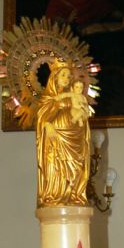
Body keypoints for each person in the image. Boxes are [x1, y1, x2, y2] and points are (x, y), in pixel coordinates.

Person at [36, 61, 90, 207]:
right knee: (56, 166)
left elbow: (84, 112)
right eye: (63, 75)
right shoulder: (48, 99)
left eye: (69, 76)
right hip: (56, 139)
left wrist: (82, 116)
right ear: (54, 77)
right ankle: (56, 193)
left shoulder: (74, 95)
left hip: (75, 137)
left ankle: (74, 194)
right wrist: (47, 125)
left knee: (76, 168)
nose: (67, 78)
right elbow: (42, 117)